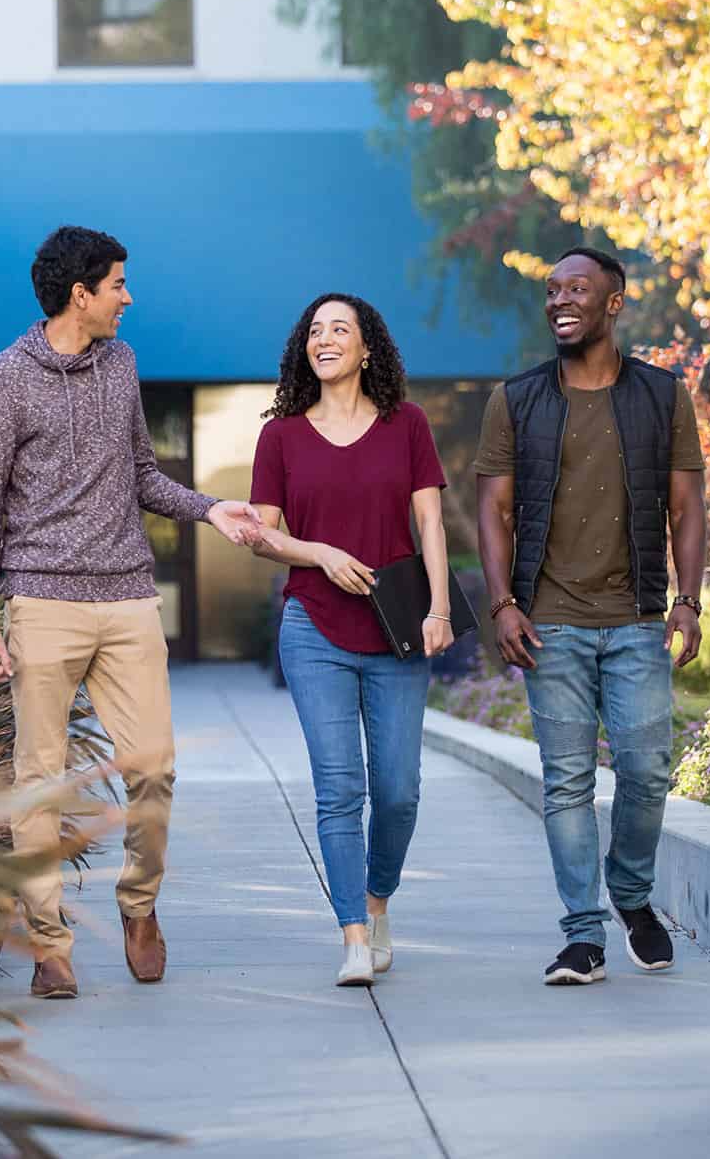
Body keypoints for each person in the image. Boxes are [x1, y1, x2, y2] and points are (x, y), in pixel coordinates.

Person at [0, 225, 263, 1000]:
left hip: (128, 596)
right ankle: (49, 944)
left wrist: (210, 509)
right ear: (81, 293)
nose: (129, 298)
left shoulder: (122, 364)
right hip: (41, 601)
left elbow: (142, 476)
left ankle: (139, 905)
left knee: (155, 768)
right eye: (119, 284)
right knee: (39, 780)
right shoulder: (6, 379)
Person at [473, 246, 707, 986]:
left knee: (646, 772)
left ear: (614, 302)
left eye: (577, 288)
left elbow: (687, 506)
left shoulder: (663, 396)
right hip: (551, 622)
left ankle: (632, 895)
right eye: (551, 290)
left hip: (636, 616)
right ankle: (584, 934)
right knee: (567, 781)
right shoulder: (516, 399)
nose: (560, 300)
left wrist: (689, 598)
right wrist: (503, 602)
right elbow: (494, 509)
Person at [247, 294, 452, 987]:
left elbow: (429, 523)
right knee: (340, 788)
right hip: (314, 629)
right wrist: (318, 553)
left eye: (341, 329)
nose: (325, 339)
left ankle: (377, 898)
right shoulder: (280, 436)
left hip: (397, 629)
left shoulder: (408, 425)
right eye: (315, 330)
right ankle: (354, 937)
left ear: (368, 350)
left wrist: (441, 608)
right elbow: (260, 532)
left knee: (397, 791)